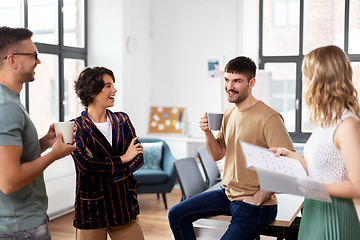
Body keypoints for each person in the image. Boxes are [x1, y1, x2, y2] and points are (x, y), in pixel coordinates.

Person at [168, 56, 295, 240]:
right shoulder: (229, 113)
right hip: (227, 194)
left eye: (237, 81)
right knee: (176, 215)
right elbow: (217, 154)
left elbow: (287, 165)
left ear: (251, 83)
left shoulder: (269, 118)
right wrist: (207, 133)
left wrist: (258, 198)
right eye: (227, 80)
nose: (229, 86)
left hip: (257, 203)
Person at [272, 45, 360, 239]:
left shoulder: (348, 125)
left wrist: (311, 186)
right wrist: (292, 156)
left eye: (307, 74)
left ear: (322, 79)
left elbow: (357, 186)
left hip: (334, 216)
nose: (303, 80)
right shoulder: (328, 120)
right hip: (314, 210)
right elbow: (321, 170)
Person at [0, 27, 76, 239]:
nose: (38, 61)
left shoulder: (10, 100)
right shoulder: (6, 107)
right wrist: (54, 155)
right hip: (19, 227)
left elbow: (10, 158)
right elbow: (8, 181)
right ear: (12, 60)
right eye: (34, 55)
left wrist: (46, 142)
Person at [70, 66, 145, 240]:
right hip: (91, 212)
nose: (114, 90)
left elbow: (139, 157)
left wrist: (101, 167)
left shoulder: (122, 119)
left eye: (113, 85)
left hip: (123, 207)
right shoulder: (75, 127)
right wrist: (124, 158)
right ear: (92, 91)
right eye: (108, 85)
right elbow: (86, 166)